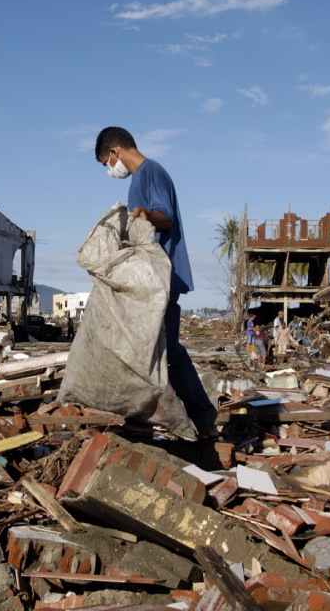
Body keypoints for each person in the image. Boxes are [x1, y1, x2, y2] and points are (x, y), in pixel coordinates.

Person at [95, 126, 218, 433]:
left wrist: (143, 214)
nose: (110, 170)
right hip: (154, 277)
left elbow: (165, 217)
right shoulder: (144, 176)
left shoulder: (150, 172)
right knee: (157, 349)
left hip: (160, 277)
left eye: (106, 163)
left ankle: (194, 417)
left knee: (160, 349)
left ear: (115, 152)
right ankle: (181, 418)